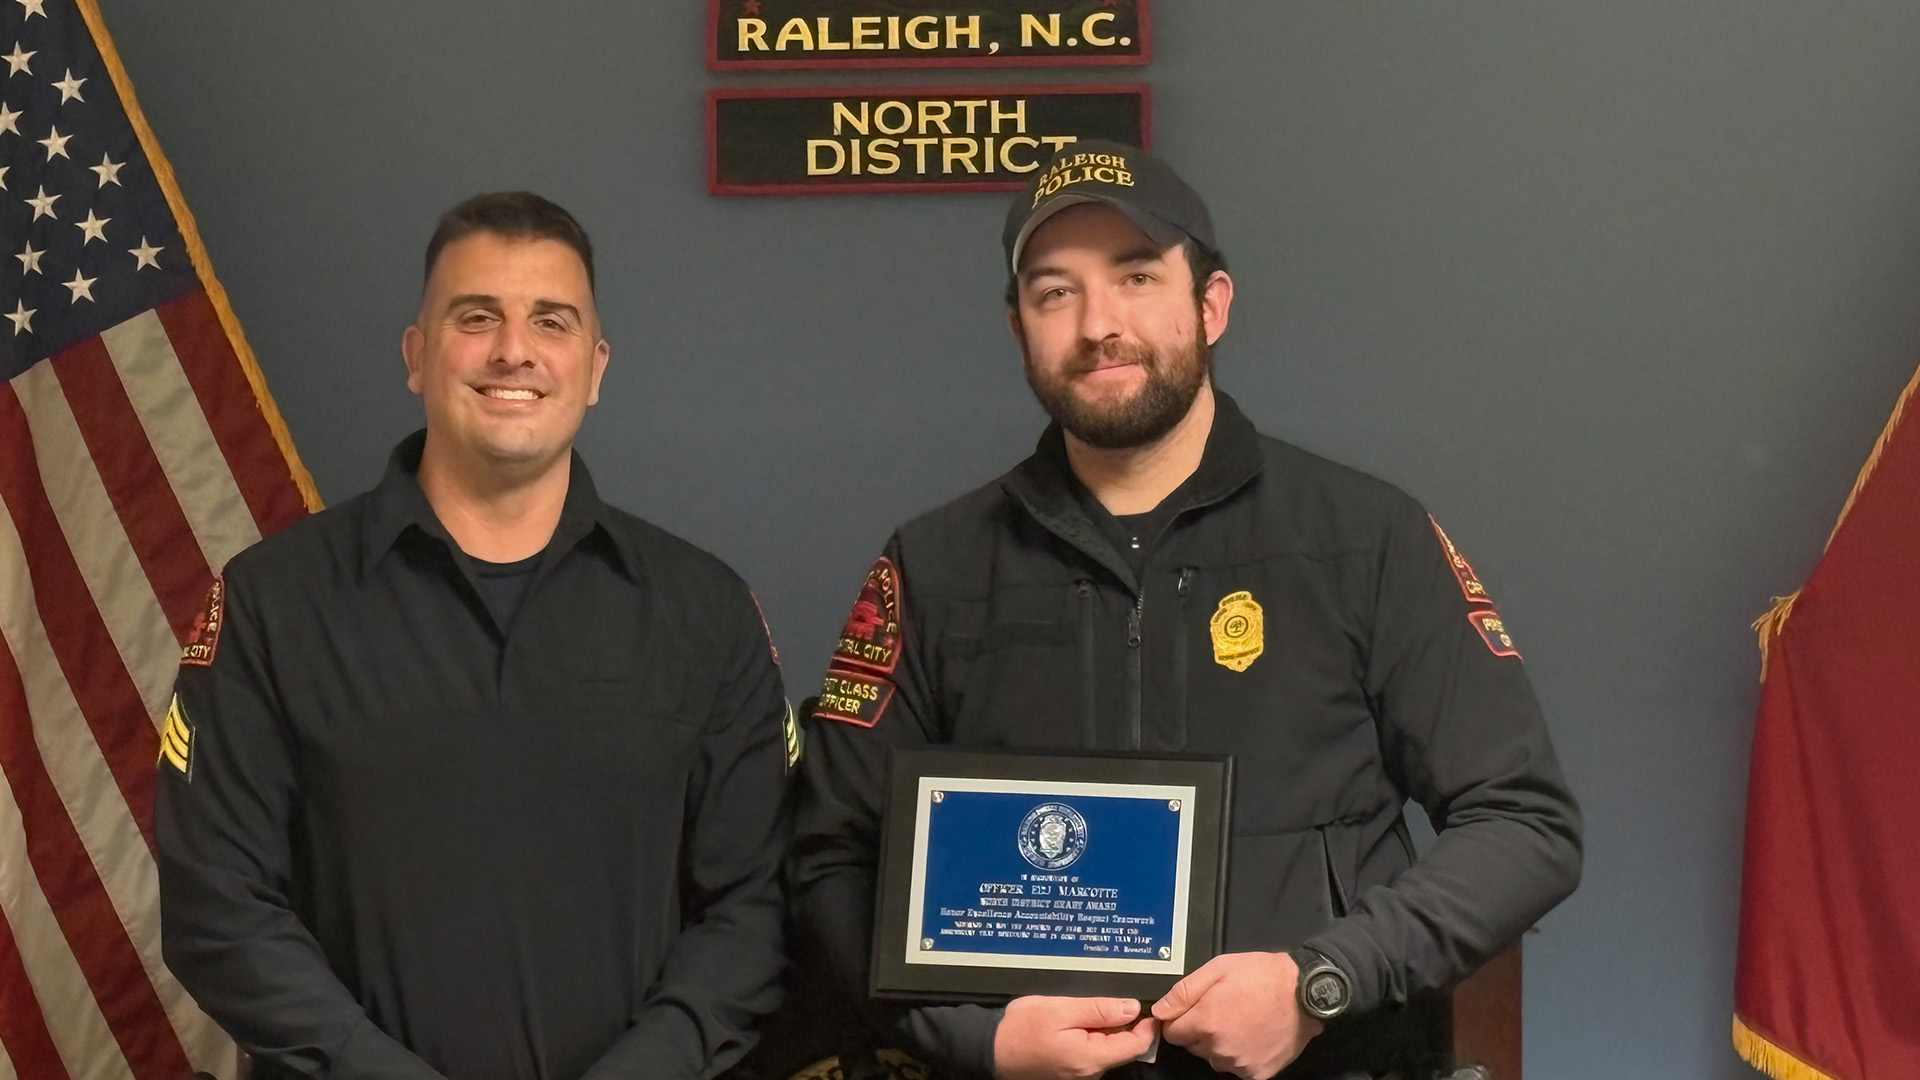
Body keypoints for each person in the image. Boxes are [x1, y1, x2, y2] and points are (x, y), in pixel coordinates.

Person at [788, 143, 1583, 1080]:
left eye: (1136, 278)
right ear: (1019, 330)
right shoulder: (934, 566)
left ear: (1211, 305)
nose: (1098, 324)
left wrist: (1319, 982)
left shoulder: (1365, 538)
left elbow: (1526, 823)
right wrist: (976, 1040)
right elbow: (828, 857)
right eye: (1055, 293)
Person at [156, 192, 793, 1080]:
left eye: (552, 321)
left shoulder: (706, 611)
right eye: (476, 316)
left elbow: (753, 908)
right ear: (417, 355)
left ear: (596, 365)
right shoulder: (271, 604)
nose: (514, 351)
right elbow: (217, 905)